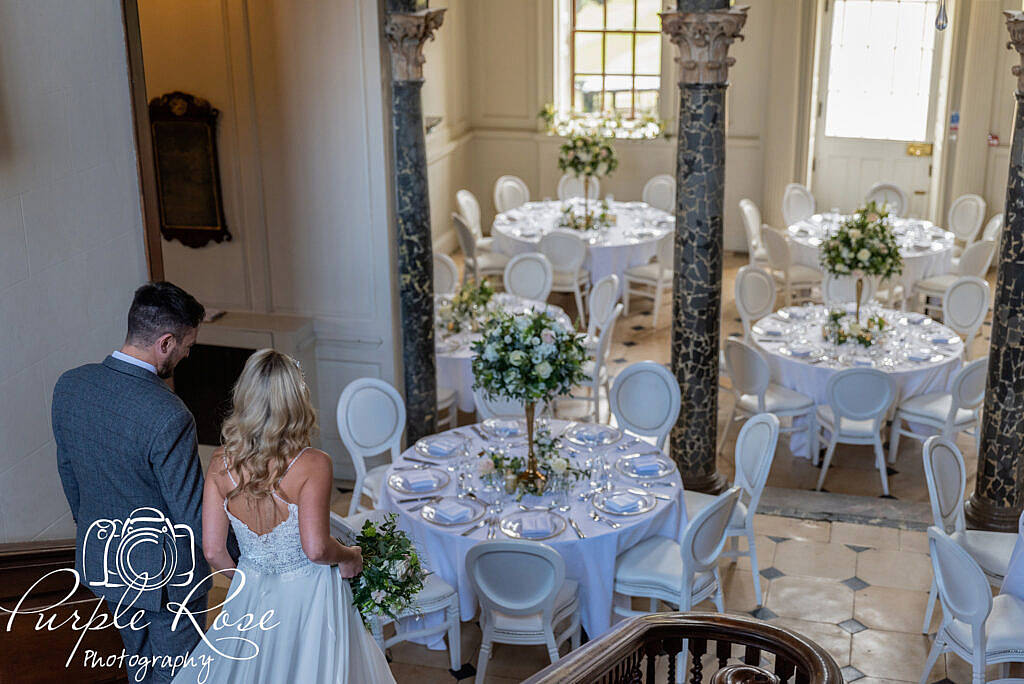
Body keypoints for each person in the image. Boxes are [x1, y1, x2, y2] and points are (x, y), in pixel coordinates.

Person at [170, 349, 394, 683]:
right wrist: (351, 556)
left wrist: (250, 581)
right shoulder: (313, 463)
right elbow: (316, 549)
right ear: (296, 400)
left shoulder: (220, 463)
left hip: (250, 588)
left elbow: (214, 551)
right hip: (310, 593)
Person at [53, 281, 209, 683]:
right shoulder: (169, 415)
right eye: (187, 345)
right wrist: (246, 559)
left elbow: (71, 477)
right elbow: (193, 516)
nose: (187, 354)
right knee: (181, 676)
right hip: (168, 580)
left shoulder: (70, 386)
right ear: (166, 342)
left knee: (139, 668)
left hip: (105, 562)